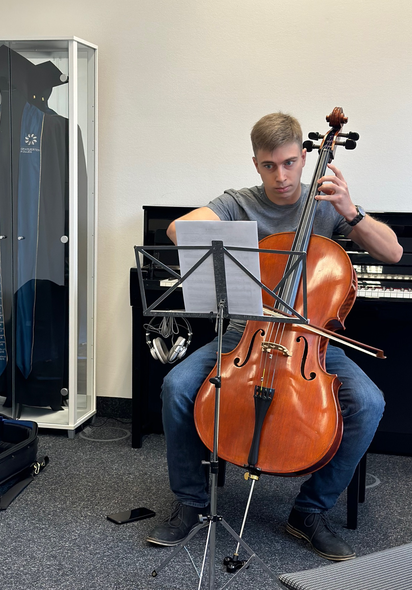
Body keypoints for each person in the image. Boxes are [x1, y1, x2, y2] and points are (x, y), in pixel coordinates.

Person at [146, 112, 403, 561]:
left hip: (309, 343)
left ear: (305, 157)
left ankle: (309, 511)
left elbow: (393, 251)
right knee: (177, 387)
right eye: (269, 165)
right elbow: (178, 230)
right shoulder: (237, 201)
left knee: (370, 402)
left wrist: (351, 211)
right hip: (242, 338)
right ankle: (189, 502)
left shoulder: (324, 203)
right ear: (255, 163)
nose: (280, 176)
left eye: (288, 163)